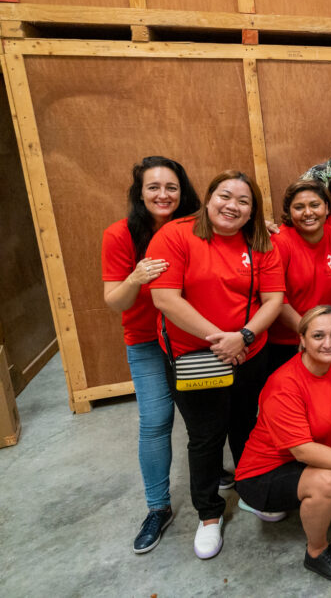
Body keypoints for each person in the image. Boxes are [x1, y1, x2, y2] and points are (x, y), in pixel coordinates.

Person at [148, 170, 285, 559]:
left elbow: (273, 300)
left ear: (252, 211)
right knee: (206, 437)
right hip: (196, 359)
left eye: (244, 202)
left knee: (246, 425)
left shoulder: (260, 241)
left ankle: (251, 491)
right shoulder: (175, 235)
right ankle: (208, 514)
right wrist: (220, 340)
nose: (233, 206)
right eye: (225, 196)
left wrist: (241, 338)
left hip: (249, 352)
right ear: (208, 199)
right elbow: (166, 299)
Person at [234, 306, 331, 582]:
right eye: (318, 336)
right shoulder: (284, 383)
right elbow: (302, 449)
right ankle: (317, 551)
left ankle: (317, 503)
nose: (328, 343)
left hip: (315, 460)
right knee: (328, 483)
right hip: (266, 472)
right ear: (303, 340)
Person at [102, 156, 201, 554]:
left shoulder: (196, 227)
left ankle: (213, 474)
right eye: (154, 188)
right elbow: (113, 301)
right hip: (145, 342)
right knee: (157, 420)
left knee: (201, 414)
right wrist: (134, 277)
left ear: (183, 192)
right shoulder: (120, 234)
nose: (163, 195)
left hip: (189, 339)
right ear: (139, 193)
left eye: (171, 188)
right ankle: (158, 507)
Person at [266, 180, 331, 371]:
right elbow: (276, 299)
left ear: (326, 207)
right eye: (299, 207)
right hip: (284, 343)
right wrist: (311, 333)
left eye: (314, 205)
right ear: (289, 212)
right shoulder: (279, 243)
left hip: (326, 340)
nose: (308, 213)